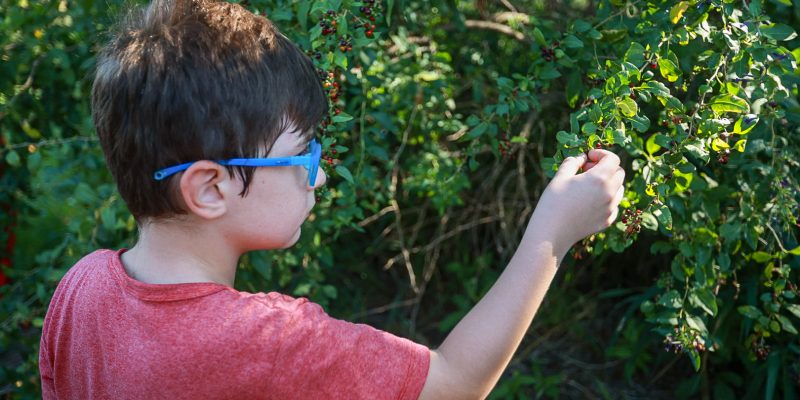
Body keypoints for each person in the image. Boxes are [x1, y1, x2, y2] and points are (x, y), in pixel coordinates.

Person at [38, 0, 626, 399]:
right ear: (210, 187)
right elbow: (453, 384)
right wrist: (552, 231)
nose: (318, 179)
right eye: (304, 159)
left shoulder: (80, 289)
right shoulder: (269, 342)